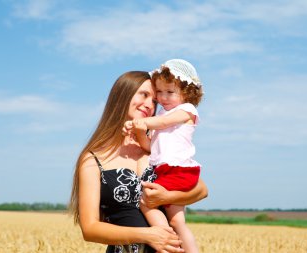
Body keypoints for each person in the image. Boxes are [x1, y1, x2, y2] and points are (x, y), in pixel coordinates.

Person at [69, 71, 208, 253]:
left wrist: (167, 197)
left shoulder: (158, 150)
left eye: (154, 101)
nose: (150, 104)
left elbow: (201, 190)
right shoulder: (94, 157)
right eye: (144, 95)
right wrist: (148, 235)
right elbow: (90, 229)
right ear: (123, 95)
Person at [123, 59, 204, 253]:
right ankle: (172, 240)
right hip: (165, 170)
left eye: (170, 92)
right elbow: (150, 147)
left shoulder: (187, 110)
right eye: (159, 92)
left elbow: (163, 122)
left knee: (145, 200)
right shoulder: (161, 116)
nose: (163, 97)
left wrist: (139, 123)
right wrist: (140, 132)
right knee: (177, 220)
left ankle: (163, 238)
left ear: (186, 92)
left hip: (178, 169)